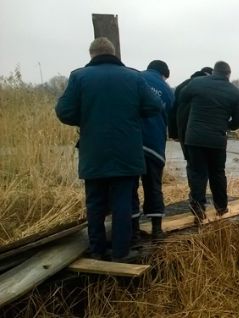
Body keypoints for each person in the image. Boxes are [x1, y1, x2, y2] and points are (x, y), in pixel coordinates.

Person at [55, 37, 163, 262]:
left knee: (95, 202)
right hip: (127, 151)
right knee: (122, 201)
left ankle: (97, 250)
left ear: (92, 54)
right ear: (114, 53)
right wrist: (132, 116)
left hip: (93, 151)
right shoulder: (134, 76)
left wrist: (86, 119)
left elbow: (64, 111)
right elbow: (154, 106)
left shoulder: (79, 77)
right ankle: (122, 252)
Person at [178, 61, 239, 223]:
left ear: (214, 72)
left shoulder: (197, 83)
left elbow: (182, 97)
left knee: (197, 174)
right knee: (217, 173)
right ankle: (221, 207)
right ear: (228, 74)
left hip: (194, 139)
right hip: (217, 140)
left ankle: (198, 209)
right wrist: (227, 126)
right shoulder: (234, 92)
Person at [132, 60, 174, 240]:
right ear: (164, 74)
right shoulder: (167, 90)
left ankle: (133, 231)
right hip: (154, 143)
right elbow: (170, 113)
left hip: (131, 142)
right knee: (153, 185)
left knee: (129, 186)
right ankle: (157, 229)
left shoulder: (135, 78)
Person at [168, 66, 213, 183]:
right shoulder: (209, 86)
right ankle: (202, 195)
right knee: (207, 163)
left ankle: (194, 194)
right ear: (209, 75)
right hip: (205, 130)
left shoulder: (181, 86)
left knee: (192, 163)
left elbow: (173, 112)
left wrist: (174, 134)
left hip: (184, 131)